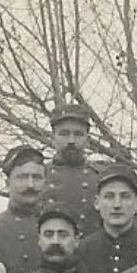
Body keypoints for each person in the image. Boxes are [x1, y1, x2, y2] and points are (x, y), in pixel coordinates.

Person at [43, 101, 104, 236]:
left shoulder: (101, 178)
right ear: (53, 139)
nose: (71, 140)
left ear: (87, 141)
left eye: (78, 134)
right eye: (64, 134)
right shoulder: (38, 177)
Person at [75, 165, 137, 273]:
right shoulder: (84, 249)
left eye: (125, 197)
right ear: (97, 203)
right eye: (109, 196)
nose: (117, 204)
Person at [0, 145, 47, 273]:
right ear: (7, 183)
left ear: (45, 183)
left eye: (36, 177)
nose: (30, 185)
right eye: (22, 177)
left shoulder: (58, 226)